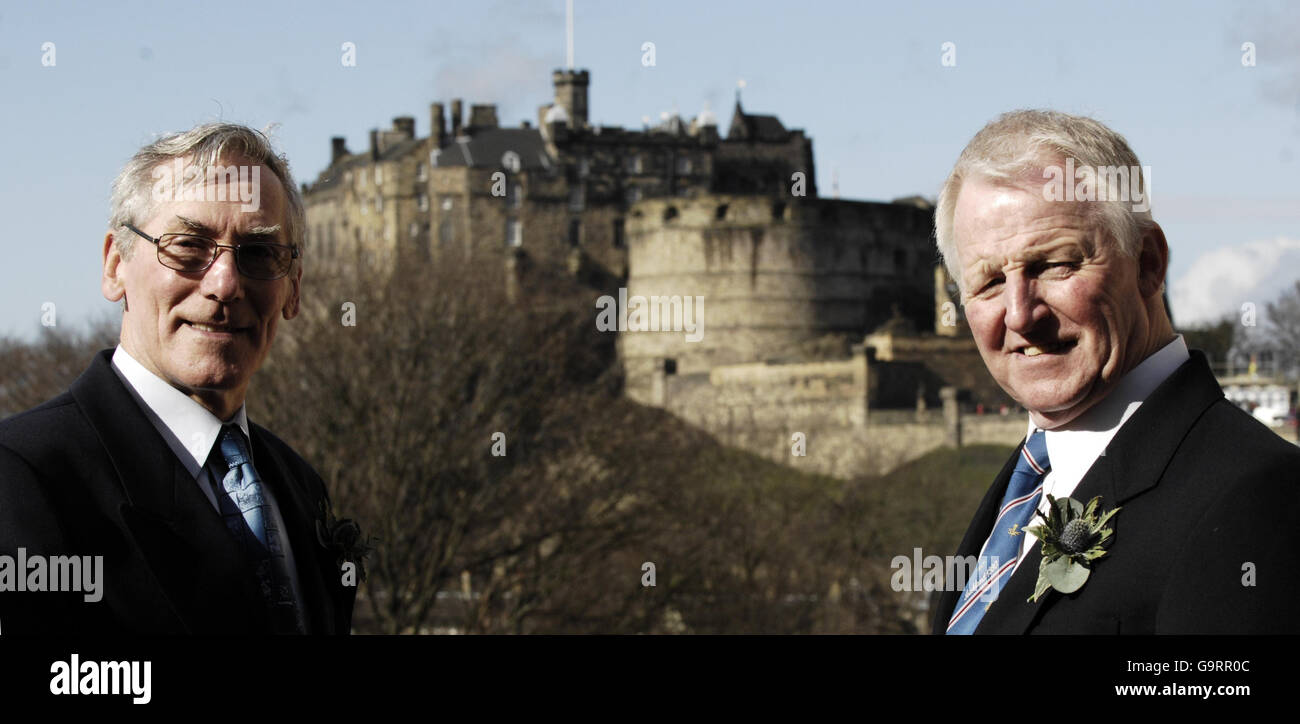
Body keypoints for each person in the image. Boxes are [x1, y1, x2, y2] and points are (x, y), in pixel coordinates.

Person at [930, 110, 1300, 634]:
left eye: (1054, 264)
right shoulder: (1020, 490)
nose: (1019, 313)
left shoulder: (1259, 495)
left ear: (1148, 262)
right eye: (989, 282)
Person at [0, 123, 358, 634]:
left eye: (258, 252)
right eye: (189, 245)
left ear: (293, 289)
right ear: (115, 265)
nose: (225, 283)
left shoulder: (299, 486)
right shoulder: (21, 477)